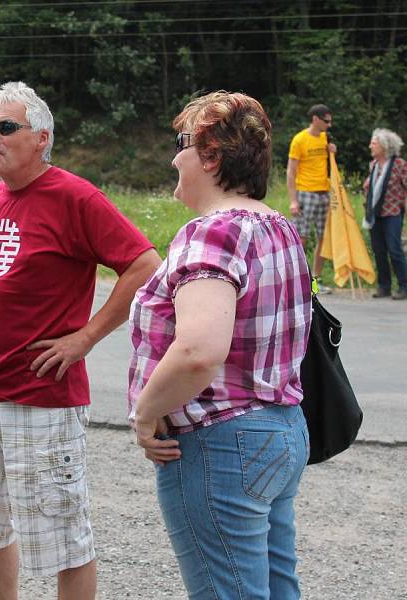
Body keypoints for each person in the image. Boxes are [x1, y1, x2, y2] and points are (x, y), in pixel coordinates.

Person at [0, 81, 161, 599]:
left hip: (42, 396)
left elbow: (144, 265)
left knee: (61, 536)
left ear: (42, 137)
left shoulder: (75, 196)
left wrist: (85, 337)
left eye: (6, 127)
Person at [129, 91, 312, 599]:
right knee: (276, 590)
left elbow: (198, 352)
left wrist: (145, 414)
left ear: (211, 156)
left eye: (182, 144)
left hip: (221, 442)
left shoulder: (209, 234)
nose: (175, 157)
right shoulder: (280, 229)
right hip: (282, 430)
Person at [287, 103, 337, 291]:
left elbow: (330, 165)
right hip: (305, 192)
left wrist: (332, 152)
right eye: (326, 121)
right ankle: (298, 279)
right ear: (315, 119)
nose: (329, 125)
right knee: (302, 238)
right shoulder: (300, 139)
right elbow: (291, 172)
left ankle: (316, 279)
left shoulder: (325, 139)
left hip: (324, 193)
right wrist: (293, 199)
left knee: (324, 238)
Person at [362, 128, 407, 300]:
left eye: (374, 143)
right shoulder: (373, 165)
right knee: (379, 250)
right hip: (375, 213)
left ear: (385, 146)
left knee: (395, 249)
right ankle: (384, 286)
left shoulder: (399, 165)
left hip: (393, 212)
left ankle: (404, 286)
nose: (370, 146)